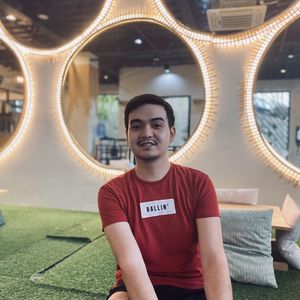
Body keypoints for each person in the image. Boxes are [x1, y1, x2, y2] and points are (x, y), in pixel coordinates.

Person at [98, 94, 233, 300]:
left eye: (156, 125)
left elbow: (213, 257)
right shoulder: (111, 192)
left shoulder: (198, 183)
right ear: (127, 135)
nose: (146, 133)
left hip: (192, 287)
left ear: (171, 133)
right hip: (137, 285)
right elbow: (130, 263)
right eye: (136, 126)